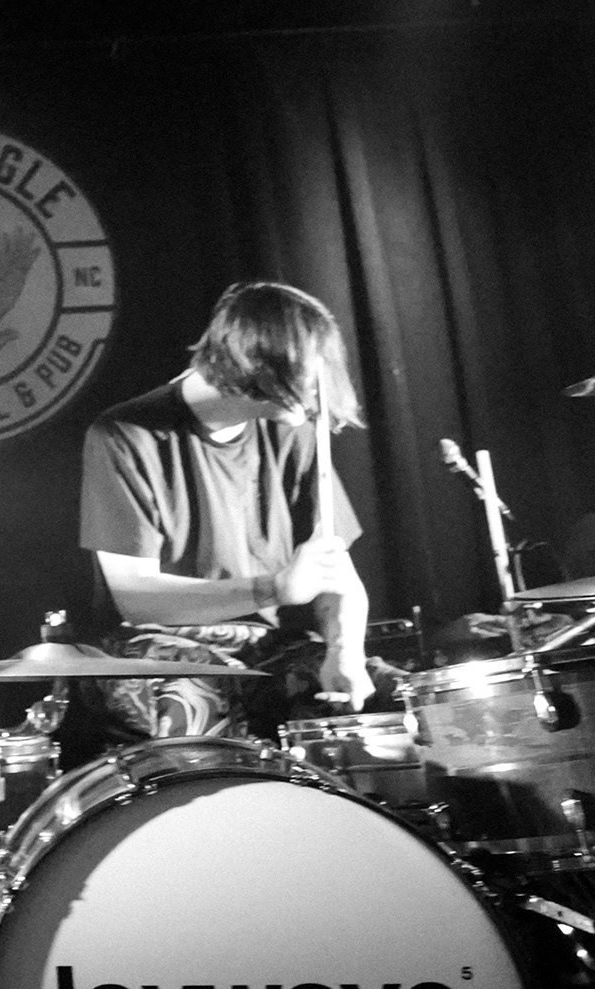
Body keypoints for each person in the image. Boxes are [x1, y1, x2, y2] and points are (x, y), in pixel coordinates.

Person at [78, 280, 377, 742]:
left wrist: (346, 651)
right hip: (158, 646)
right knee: (196, 704)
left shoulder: (294, 433)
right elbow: (134, 597)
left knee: (390, 704)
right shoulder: (125, 435)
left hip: (266, 647)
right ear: (258, 364)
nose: (320, 391)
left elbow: (338, 578)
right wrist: (272, 589)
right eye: (308, 372)